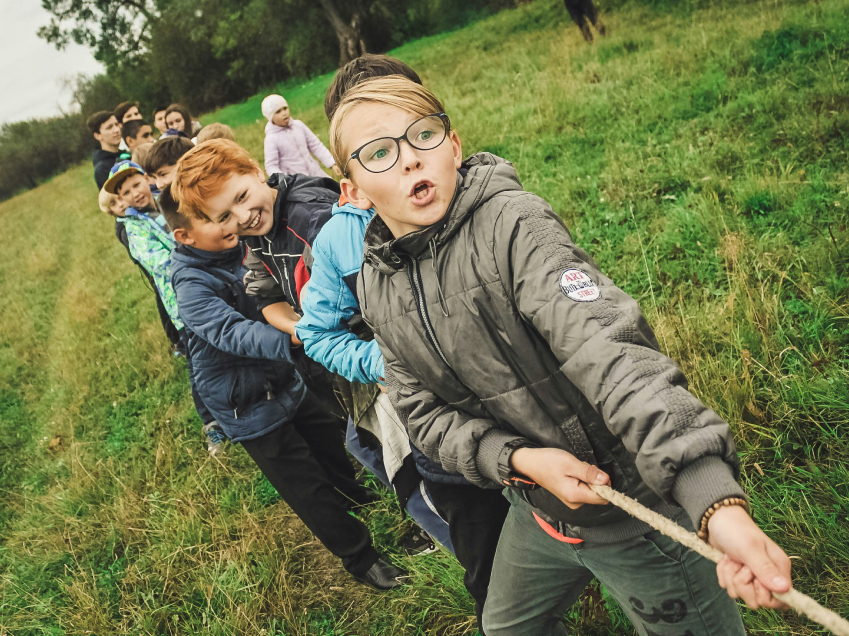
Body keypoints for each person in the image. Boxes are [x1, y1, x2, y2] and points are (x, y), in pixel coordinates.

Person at [330, 76, 793, 636]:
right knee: (503, 628)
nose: (408, 160)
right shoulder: (377, 287)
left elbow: (610, 351)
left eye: (422, 135)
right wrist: (520, 461)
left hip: (633, 516)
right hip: (537, 510)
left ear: (453, 146)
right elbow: (423, 416)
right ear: (352, 191)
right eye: (379, 152)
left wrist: (711, 499)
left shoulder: (515, 227)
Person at [165, 175, 409, 591]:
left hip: (286, 378)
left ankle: (359, 498)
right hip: (245, 403)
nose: (232, 224)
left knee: (331, 446)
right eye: (217, 219)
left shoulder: (241, 243)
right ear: (185, 235)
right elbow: (230, 332)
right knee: (305, 484)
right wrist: (302, 335)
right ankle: (360, 557)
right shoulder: (189, 283)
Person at [102, 162, 224, 454]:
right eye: (125, 192)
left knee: (225, 344)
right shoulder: (134, 228)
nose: (134, 194)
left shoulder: (169, 204)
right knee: (200, 364)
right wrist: (199, 254)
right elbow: (160, 262)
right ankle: (211, 424)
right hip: (183, 302)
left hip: (214, 285)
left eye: (135, 185)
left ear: (147, 180)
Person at [261, 94, 340, 178]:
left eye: (285, 108)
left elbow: (315, 145)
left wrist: (332, 163)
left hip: (316, 173)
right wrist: (284, 180)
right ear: (271, 117)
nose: (284, 113)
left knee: (333, 189)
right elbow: (271, 166)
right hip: (298, 182)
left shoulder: (298, 125)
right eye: (278, 112)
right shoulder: (271, 139)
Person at [87, 111, 129, 189]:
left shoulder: (126, 154)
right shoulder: (103, 169)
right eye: (109, 127)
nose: (116, 130)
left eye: (116, 124)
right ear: (97, 136)